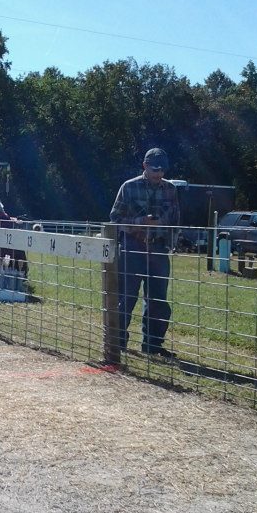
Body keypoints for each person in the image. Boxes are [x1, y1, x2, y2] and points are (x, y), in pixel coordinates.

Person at [109, 147, 181, 358]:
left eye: (162, 170)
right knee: (126, 297)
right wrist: (139, 223)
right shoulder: (128, 187)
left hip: (159, 249)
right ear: (144, 166)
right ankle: (118, 342)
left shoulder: (170, 190)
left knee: (158, 300)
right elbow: (114, 219)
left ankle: (153, 345)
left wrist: (172, 241)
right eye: (154, 169)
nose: (158, 174)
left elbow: (175, 219)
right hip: (133, 247)